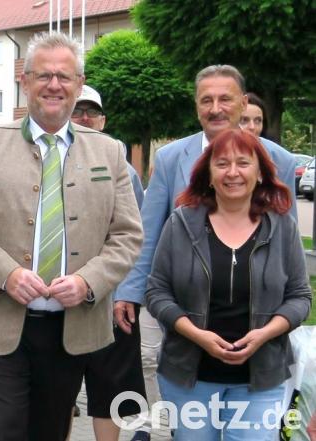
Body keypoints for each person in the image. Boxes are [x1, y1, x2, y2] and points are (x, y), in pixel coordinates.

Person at [0, 32, 143, 441]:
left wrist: (90, 281)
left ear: (79, 84)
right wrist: (5, 273)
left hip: (71, 327)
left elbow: (127, 234)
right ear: (25, 82)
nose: (54, 85)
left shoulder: (109, 152)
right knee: (2, 430)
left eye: (64, 77)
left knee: (49, 431)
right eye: (44, 75)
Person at [114, 66, 297, 439]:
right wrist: (130, 291)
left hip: (258, 346)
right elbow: (150, 232)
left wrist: (273, 324)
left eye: (225, 99)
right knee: (159, 369)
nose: (216, 108)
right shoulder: (170, 158)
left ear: (243, 103)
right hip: (185, 313)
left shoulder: (280, 159)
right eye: (206, 100)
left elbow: (288, 260)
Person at [146, 128, 312, 440]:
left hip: (261, 375)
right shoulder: (182, 223)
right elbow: (157, 292)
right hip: (189, 377)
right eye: (222, 164)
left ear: (260, 172)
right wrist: (197, 335)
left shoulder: (282, 227)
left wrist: (265, 334)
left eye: (243, 163)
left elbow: (300, 297)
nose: (232, 172)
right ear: (208, 175)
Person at [69, 84, 148, 441]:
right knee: (58, 394)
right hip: (60, 298)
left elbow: (135, 236)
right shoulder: (48, 160)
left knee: (112, 390)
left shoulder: (120, 166)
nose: (85, 118)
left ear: (103, 120)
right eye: (78, 111)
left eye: (92, 113)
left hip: (112, 299)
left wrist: (127, 293)